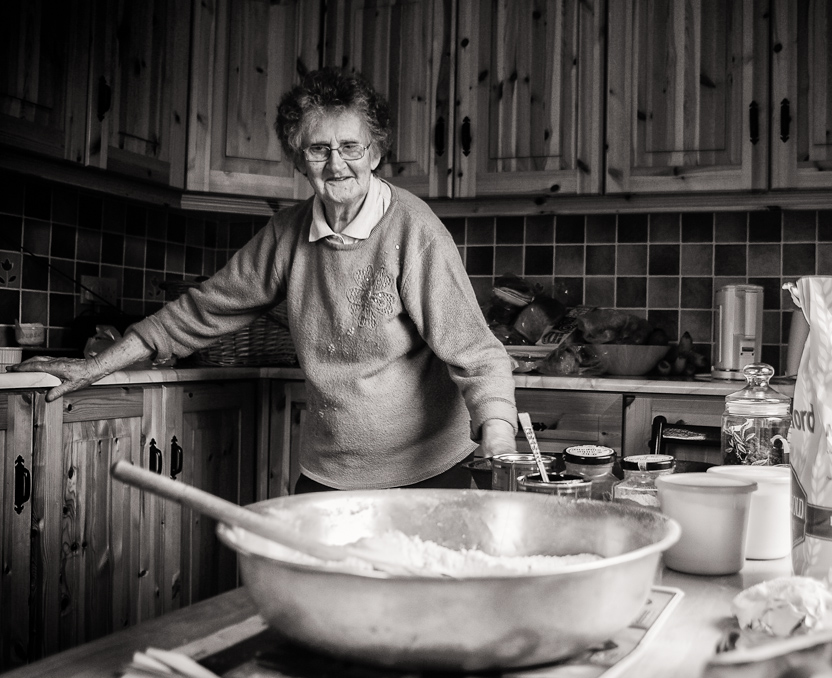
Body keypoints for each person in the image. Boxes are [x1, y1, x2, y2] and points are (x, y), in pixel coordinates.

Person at [8, 68, 519, 491]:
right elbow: (200, 311)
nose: (336, 164)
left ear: (376, 153)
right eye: (318, 149)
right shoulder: (287, 235)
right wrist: (95, 366)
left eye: (351, 147)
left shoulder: (414, 230)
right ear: (299, 159)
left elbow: (476, 352)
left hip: (427, 471)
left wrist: (497, 434)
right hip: (333, 472)